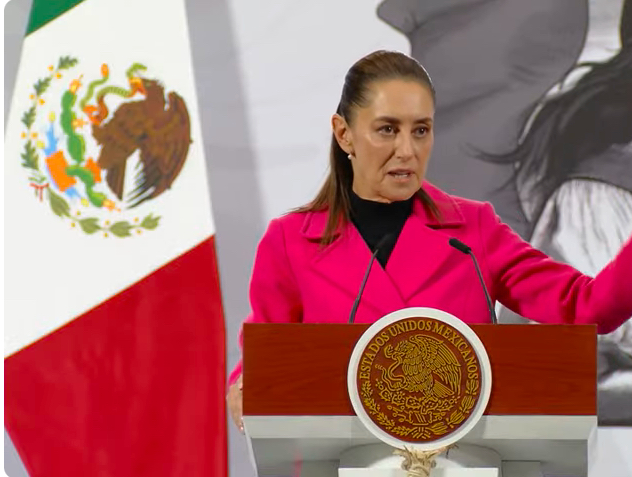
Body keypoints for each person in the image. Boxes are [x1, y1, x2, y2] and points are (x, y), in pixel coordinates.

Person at [226, 50, 632, 432]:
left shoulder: (474, 230)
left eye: (420, 130)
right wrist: (245, 387)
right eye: (387, 130)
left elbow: (587, 307)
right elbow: (264, 362)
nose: (407, 150)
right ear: (344, 134)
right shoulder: (291, 242)